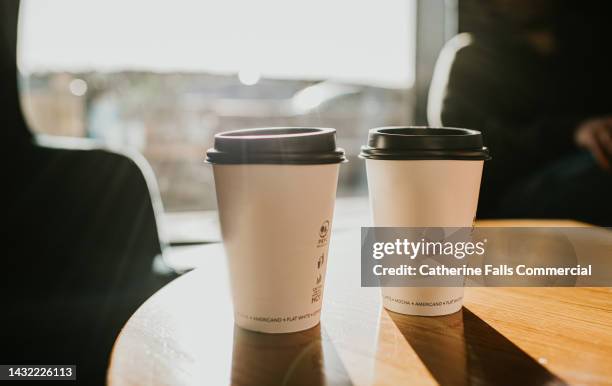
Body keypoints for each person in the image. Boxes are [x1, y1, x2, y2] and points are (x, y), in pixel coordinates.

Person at [430, 0, 612, 225]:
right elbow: (469, 146)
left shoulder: (587, 53)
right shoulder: (472, 58)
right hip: (509, 196)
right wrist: (573, 132)